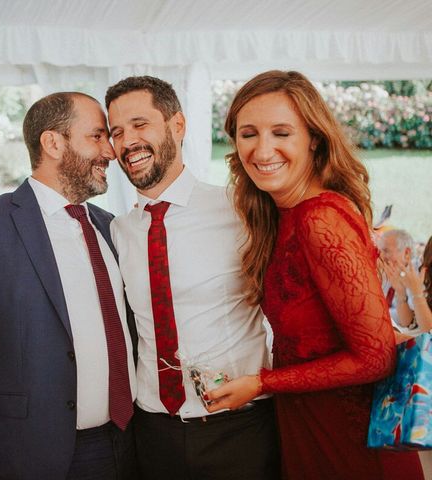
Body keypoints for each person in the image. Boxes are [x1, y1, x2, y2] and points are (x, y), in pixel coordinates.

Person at [204, 70, 423, 479]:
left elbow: (376, 358)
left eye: (281, 133)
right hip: (309, 421)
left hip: (349, 436)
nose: (262, 149)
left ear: (314, 139)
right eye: (248, 133)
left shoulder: (319, 219)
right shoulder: (283, 214)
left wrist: (262, 382)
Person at [0, 92, 138, 479]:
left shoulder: (109, 225)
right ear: (53, 143)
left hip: (129, 443)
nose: (110, 152)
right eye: (97, 137)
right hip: (34, 453)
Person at [105, 76, 279, 479]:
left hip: (240, 430)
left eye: (139, 124)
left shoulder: (241, 208)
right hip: (153, 433)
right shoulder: (118, 232)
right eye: (117, 132)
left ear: (177, 125)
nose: (128, 141)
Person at [380, 229, 425, 331]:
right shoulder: (385, 270)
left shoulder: (418, 278)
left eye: (386, 251)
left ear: (406, 253)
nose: (382, 256)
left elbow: (409, 321)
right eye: (380, 251)